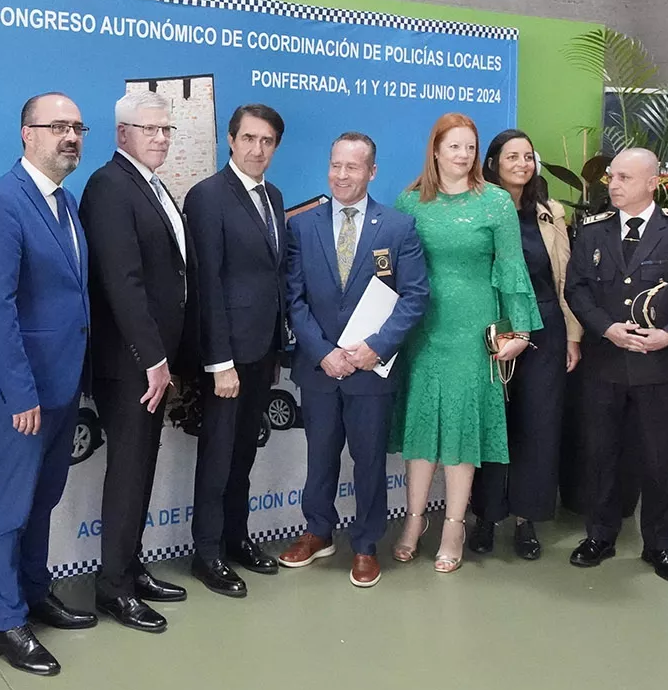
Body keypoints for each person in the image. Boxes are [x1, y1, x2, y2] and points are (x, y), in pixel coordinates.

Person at [0, 93, 97, 676]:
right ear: (26, 134)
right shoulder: (1, 201)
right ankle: (7, 621)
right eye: (56, 127)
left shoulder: (65, 202)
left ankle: (36, 593)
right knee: (9, 508)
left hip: (62, 385)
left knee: (42, 501)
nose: (69, 137)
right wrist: (21, 393)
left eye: (76, 127)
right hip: (21, 393)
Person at [277, 133, 429, 587]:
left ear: (372, 172)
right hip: (320, 368)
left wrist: (375, 348)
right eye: (335, 165)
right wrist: (322, 353)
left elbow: (414, 296)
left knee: (368, 461)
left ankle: (365, 544)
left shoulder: (398, 227)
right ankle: (317, 532)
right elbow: (293, 299)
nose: (342, 175)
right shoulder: (302, 226)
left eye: (353, 167)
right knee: (319, 456)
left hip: (370, 370)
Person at [390, 113, 540, 573]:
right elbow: (390, 271)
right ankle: (413, 522)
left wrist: (519, 332)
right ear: (435, 150)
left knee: (461, 432)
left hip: (475, 331)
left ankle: (453, 526)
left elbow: (512, 268)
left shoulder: (494, 202)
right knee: (420, 431)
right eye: (454, 146)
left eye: (470, 148)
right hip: (422, 330)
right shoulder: (410, 202)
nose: (462, 155)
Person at [565, 147, 668, 583]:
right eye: (612, 177)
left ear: (653, 182)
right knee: (601, 456)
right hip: (606, 363)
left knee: (656, 460)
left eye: (625, 178)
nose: (613, 184)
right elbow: (576, 290)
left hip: (660, 367)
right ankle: (600, 535)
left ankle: (659, 546)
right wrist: (605, 328)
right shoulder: (593, 230)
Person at [79, 90, 197, 632]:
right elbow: (121, 282)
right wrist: (152, 358)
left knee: (141, 467)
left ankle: (130, 567)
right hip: (128, 363)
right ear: (122, 133)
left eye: (166, 130)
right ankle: (114, 589)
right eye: (149, 130)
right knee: (128, 473)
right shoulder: (108, 186)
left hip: (153, 360)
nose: (160, 138)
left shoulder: (151, 184)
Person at [184, 104, 290, 597]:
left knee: (245, 452)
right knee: (219, 455)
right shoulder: (208, 196)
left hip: (261, 351)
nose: (256, 149)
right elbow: (208, 283)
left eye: (266, 141)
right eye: (248, 138)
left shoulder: (274, 196)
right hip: (225, 358)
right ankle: (206, 553)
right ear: (230, 140)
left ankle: (236, 538)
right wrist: (219, 362)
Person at [467, 129, 583, 560]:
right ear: (493, 162)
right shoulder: (478, 207)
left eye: (528, 157)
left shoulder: (551, 212)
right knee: (493, 424)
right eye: (512, 156)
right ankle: (485, 516)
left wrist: (572, 335)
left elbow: (565, 278)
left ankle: (526, 519)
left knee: (538, 424)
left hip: (546, 328)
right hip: (492, 330)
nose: (522, 163)